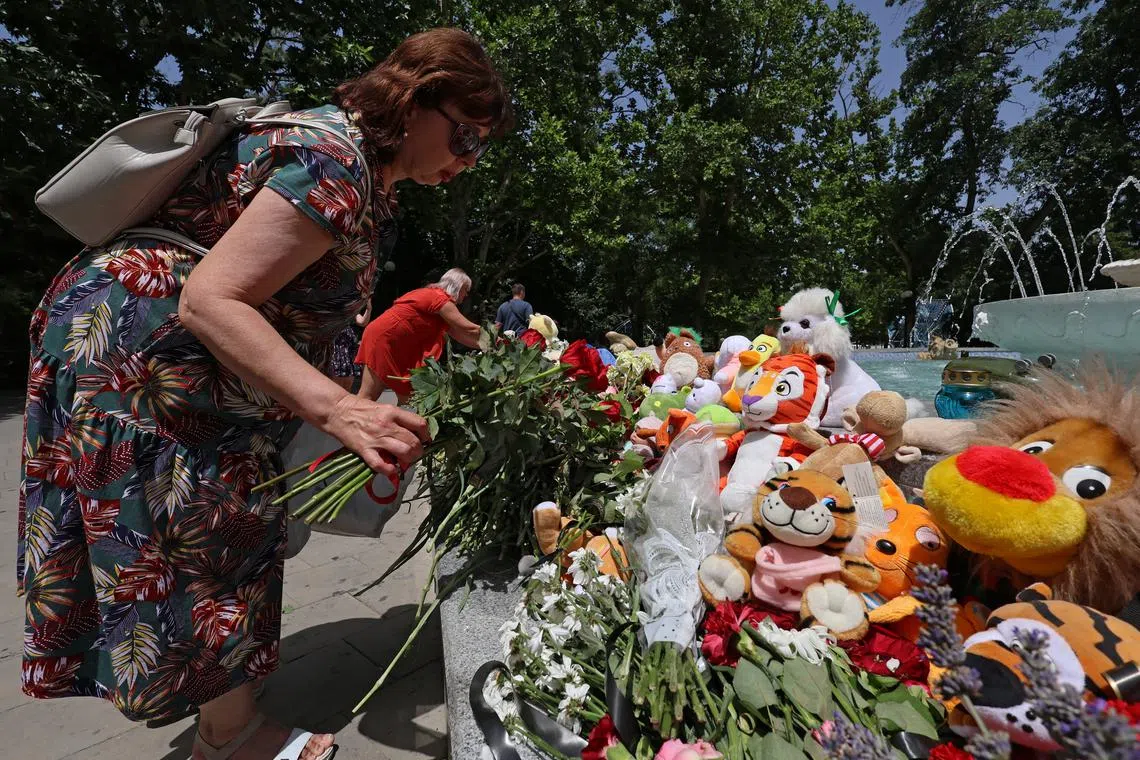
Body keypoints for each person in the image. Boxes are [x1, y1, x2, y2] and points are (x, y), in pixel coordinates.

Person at [17, 27, 511, 760]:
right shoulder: (334, 161)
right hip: (146, 369)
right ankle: (233, 739)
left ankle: (229, 730)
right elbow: (213, 301)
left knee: (225, 538)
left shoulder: (353, 167)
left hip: (168, 367)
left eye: (479, 149)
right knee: (204, 544)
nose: (465, 163)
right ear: (415, 100)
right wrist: (340, 409)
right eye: (464, 136)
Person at [355, 268, 482, 404]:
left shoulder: (436, 298)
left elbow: (460, 335)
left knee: (408, 399)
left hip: (390, 342)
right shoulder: (440, 299)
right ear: (459, 286)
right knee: (372, 396)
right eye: (466, 290)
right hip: (385, 341)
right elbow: (468, 328)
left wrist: (487, 346)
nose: (466, 295)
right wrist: (496, 339)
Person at [329, 300, 372, 390]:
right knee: (336, 389)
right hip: (336, 353)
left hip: (348, 352)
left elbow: (362, 322)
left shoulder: (350, 310)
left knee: (347, 389)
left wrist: (368, 308)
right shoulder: (329, 311)